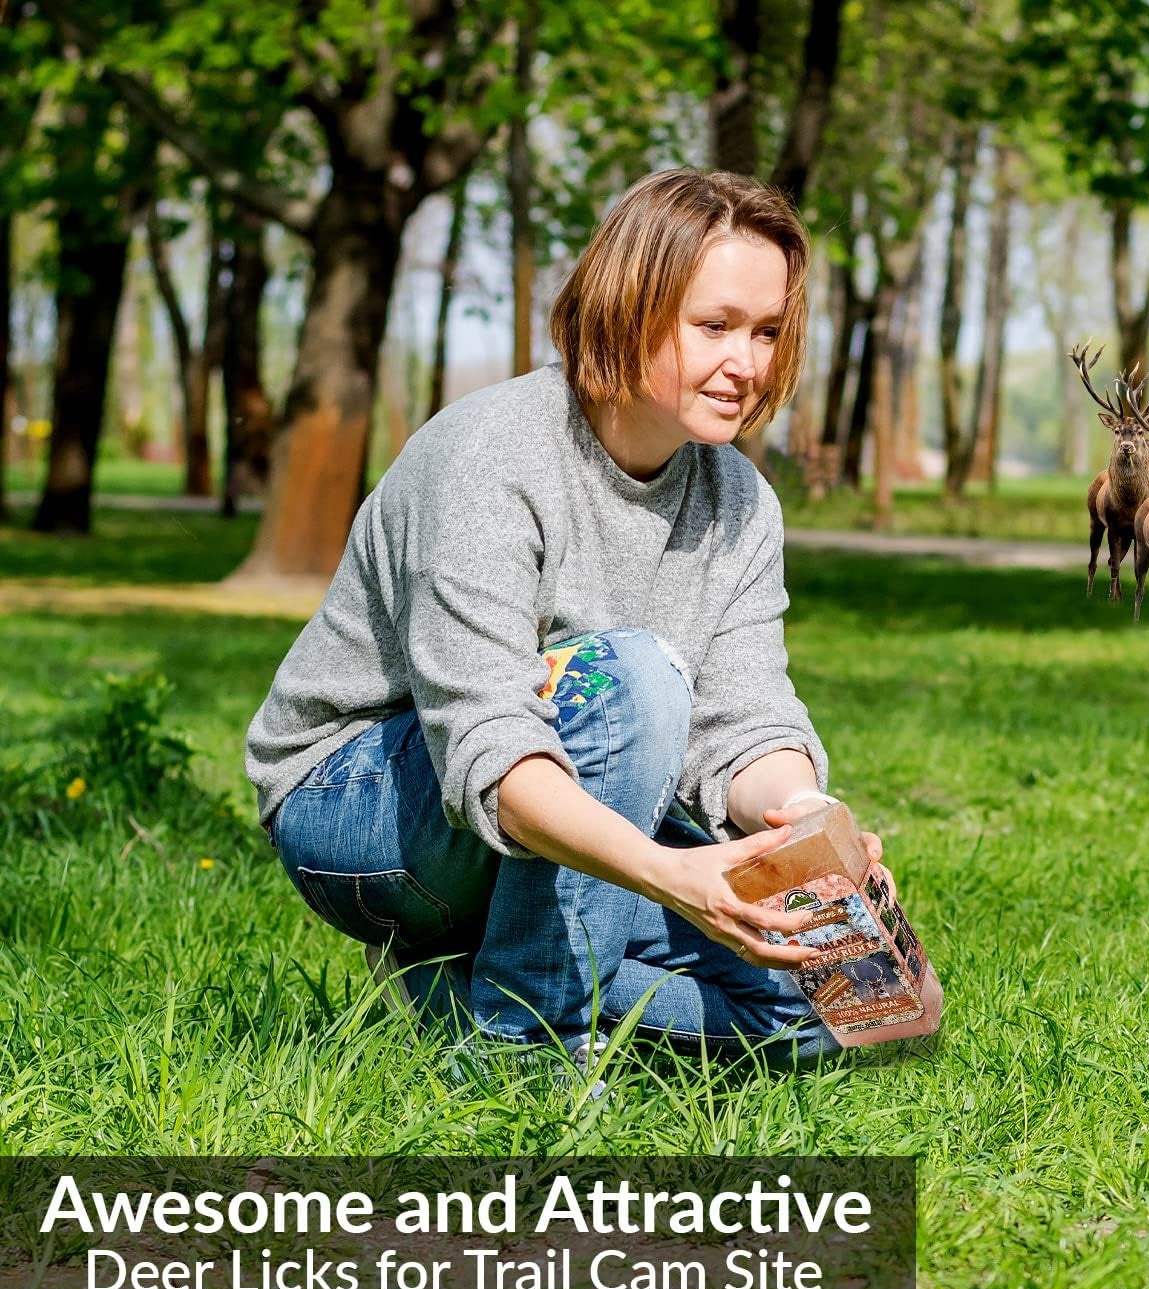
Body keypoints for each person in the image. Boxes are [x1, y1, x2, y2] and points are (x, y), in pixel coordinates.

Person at [245, 168, 887, 1075]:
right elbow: (491, 743)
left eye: (769, 331)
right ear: (628, 307)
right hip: (368, 809)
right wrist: (671, 875)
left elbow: (744, 723)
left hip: (585, 797)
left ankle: (471, 985)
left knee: (832, 1000)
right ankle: (527, 1055)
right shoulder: (492, 457)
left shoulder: (741, 500)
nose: (747, 364)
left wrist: (811, 835)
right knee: (631, 678)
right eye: (714, 326)